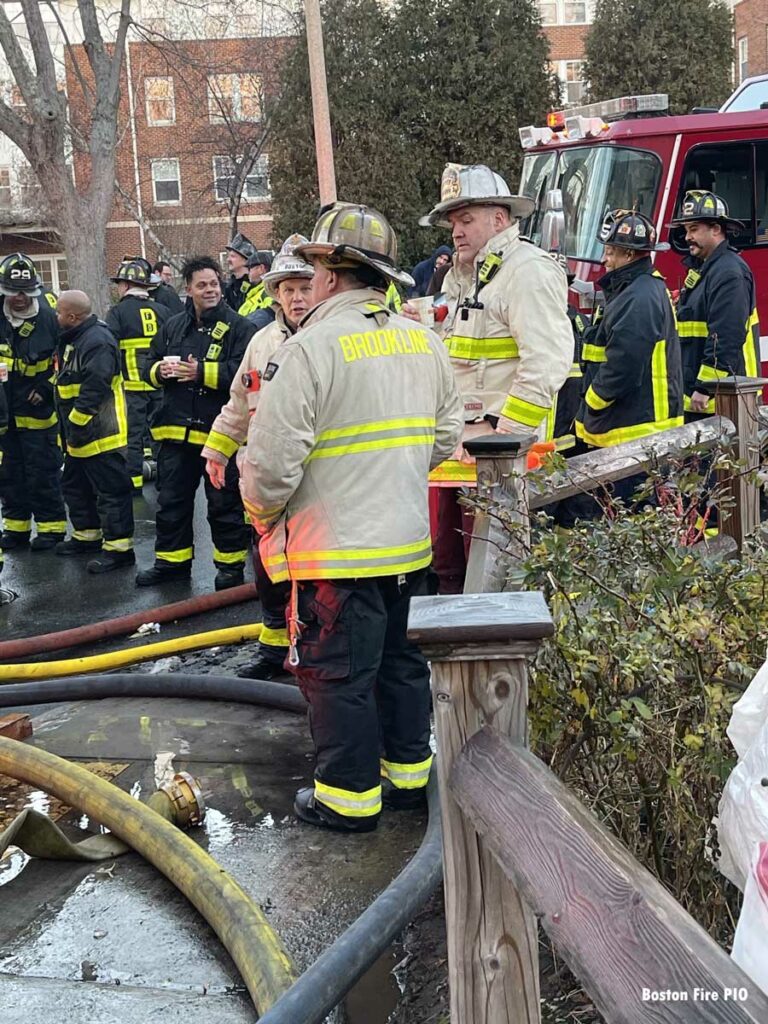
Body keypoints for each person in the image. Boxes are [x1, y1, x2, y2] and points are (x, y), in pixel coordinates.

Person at [240, 202, 462, 833]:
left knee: (338, 674)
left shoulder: (310, 349)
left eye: (312, 269)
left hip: (334, 556)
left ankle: (346, 798)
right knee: (400, 665)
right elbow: (444, 440)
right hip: (406, 547)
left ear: (333, 275)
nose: (307, 282)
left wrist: (261, 514)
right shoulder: (423, 340)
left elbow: (273, 465)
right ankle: (408, 778)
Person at [416, 163, 573, 592]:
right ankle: (450, 660)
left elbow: (546, 363)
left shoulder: (528, 271)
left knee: (494, 580)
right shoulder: (460, 278)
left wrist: (502, 435)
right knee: (448, 568)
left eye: (466, 220)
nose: (456, 232)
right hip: (457, 456)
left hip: (499, 460)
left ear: (499, 219)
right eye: (453, 223)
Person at [202, 235, 313, 680]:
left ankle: (312, 652)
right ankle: (274, 649)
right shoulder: (262, 341)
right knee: (268, 568)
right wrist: (218, 449)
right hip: (264, 478)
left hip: (314, 480)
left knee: (314, 574)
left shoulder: (329, 339)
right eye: (288, 289)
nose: (297, 297)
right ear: (275, 294)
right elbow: (238, 401)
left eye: (305, 287)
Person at [136, 256, 255, 589]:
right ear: (188, 289)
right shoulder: (173, 326)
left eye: (214, 283)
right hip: (175, 434)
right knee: (171, 501)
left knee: (223, 504)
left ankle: (230, 568)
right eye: (202, 285)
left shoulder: (240, 328)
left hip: (219, 435)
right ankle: (171, 563)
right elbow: (149, 363)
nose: (210, 290)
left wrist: (201, 372)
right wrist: (158, 371)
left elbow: (244, 375)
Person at [575, 211, 682, 502]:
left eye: (610, 252)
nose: (605, 260)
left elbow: (624, 365)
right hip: (632, 425)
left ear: (630, 254)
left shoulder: (639, 296)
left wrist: (593, 401)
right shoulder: (635, 289)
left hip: (635, 430)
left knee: (632, 512)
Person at [55, 290, 135, 574]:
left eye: (59, 313)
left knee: (111, 492)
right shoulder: (75, 338)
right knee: (75, 486)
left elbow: (96, 386)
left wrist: (77, 422)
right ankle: (87, 536)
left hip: (101, 433)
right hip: (79, 435)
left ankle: (119, 550)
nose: (56, 317)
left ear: (73, 317)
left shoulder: (97, 341)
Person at [671, 190, 760, 418]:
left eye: (693, 229)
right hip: (706, 396)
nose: (687, 237)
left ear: (716, 229)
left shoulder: (729, 272)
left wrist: (706, 386)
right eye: (685, 230)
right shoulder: (706, 268)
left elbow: (726, 334)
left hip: (720, 398)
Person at [0, 253, 67, 550]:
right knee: (10, 472)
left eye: (26, 292)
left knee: (43, 470)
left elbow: (67, 359)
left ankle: (51, 529)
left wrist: (46, 386)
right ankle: (16, 529)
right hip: (5, 411)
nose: (19, 297)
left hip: (39, 408)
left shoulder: (50, 316)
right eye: (13, 291)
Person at [106, 259, 170, 492]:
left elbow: (109, 348)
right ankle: (165, 479)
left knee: (132, 437)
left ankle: (133, 484)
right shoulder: (163, 311)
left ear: (125, 284)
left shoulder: (117, 313)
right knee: (161, 436)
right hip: (160, 384)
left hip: (131, 387)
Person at [237, 251, 275, 324]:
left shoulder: (268, 292)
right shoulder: (255, 293)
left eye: (249, 269)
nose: (248, 273)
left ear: (261, 268)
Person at [223, 232, 257, 310]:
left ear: (246, 260)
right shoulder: (229, 287)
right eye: (229, 256)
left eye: (233, 256)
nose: (228, 260)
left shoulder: (255, 286)